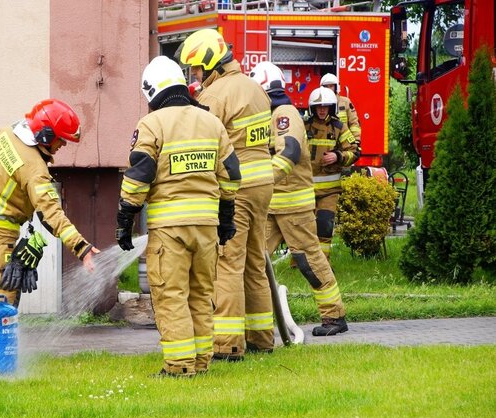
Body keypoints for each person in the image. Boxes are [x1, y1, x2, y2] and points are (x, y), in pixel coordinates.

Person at [115, 56, 241, 377]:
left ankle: (179, 366)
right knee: (201, 295)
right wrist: (226, 217)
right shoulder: (211, 122)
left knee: (171, 295)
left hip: (169, 231)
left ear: (151, 91)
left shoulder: (152, 124)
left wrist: (125, 219)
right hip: (207, 229)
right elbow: (231, 174)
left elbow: (139, 176)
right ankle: (201, 362)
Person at [0, 98, 100, 357]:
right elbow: (51, 212)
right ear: (46, 135)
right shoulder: (34, 168)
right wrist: (81, 247)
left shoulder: (6, 133)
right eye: (60, 140)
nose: (61, 146)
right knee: (3, 294)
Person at [177, 29, 275, 360]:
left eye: (197, 69)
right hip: (264, 185)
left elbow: (203, 142)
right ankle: (261, 337)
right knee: (255, 262)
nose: (195, 75)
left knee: (228, 263)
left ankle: (228, 343)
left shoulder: (216, 96)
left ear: (210, 64)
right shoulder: (254, 87)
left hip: (238, 187)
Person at [250, 62, 348, 336]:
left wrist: (263, 179)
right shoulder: (266, 115)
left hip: (293, 206)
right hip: (270, 206)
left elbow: (289, 152)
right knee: (253, 259)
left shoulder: (284, 114)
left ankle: (334, 316)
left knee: (309, 260)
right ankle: (254, 324)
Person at [305, 87, 361, 261]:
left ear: (331, 107)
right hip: (305, 189)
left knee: (324, 225)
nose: (322, 110)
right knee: (304, 227)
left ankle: (322, 263)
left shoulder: (338, 127)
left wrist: (338, 156)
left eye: (326, 106)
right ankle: (299, 263)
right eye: (319, 107)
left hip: (329, 191)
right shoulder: (304, 126)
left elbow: (354, 152)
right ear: (313, 108)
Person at [320, 73, 362, 146]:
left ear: (336, 87)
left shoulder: (345, 102)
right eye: (326, 86)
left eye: (331, 86)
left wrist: (356, 141)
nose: (329, 89)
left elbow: (354, 123)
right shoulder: (319, 104)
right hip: (327, 143)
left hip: (345, 142)